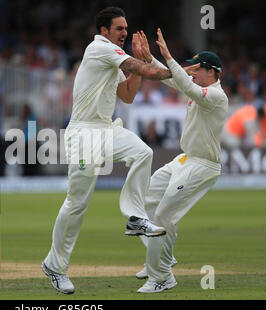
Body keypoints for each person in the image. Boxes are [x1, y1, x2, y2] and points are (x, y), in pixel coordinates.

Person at [41, 7, 173, 294]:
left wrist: (138, 60)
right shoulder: (99, 49)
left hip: (106, 128)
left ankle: (136, 216)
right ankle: (55, 265)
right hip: (84, 132)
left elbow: (126, 94)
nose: (125, 33)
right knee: (77, 204)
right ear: (104, 31)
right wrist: (177, 72)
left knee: (143, 152)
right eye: (119, 29)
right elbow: (140, 70)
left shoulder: (113, 58)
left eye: (126, 29)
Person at [134, 29, 228, 293]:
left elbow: (184, 83)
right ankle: (164, 258)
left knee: (164, 216)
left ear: (211, 71)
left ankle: (162, 277)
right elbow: (172, 80)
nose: (191, 71)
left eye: (196, 68)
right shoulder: (196, 87)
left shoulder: (216, 97)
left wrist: (167, 54)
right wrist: (151, 59)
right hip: (184, 159)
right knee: (146, 201)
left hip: (203, 165)